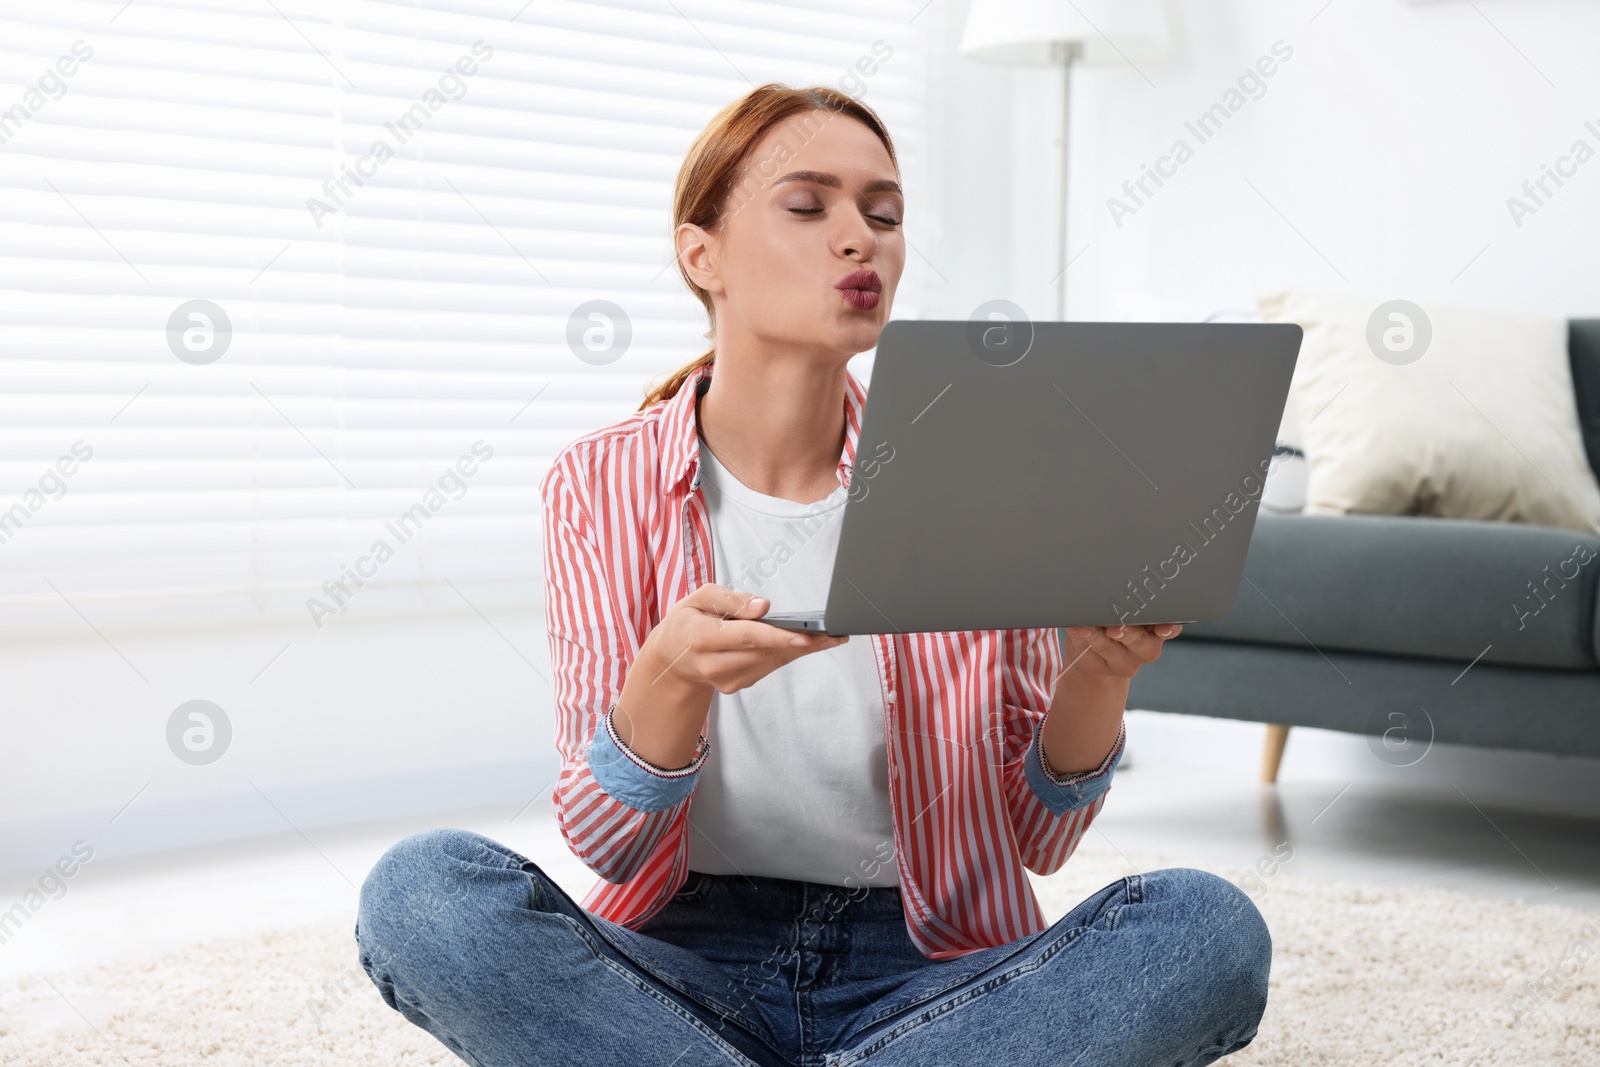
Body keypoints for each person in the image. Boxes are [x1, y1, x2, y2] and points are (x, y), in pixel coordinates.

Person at [356, 83, 1271, 1067]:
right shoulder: (600, 482)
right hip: (679, 959)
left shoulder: (973, 470)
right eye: (808, 205)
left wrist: (1095, 673)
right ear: (698, 252)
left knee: (1205, 931)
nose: (859, 239)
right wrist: (669, 675)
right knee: (422, 892)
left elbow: (1034, 837)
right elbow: (607, 843)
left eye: (884, 214)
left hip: (931, 966)